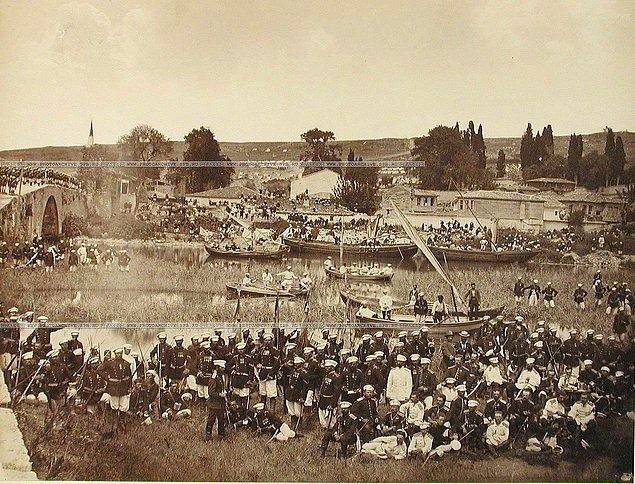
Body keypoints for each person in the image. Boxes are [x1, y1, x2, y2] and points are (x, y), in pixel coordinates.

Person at [102, 347, 133, 430]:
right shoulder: (110, 363)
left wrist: (129, 386)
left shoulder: (126, 363)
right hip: (114, 387)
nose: (119, 355)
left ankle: (121, 421)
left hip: (123, 387)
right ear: (115, 354)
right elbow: (99, 370)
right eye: (117, 353)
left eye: (120, 353)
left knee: (123, 406)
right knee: (114, 405)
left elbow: (129, 376)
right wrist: (108, 379)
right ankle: (115, 421)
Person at [204, 360, 227, 440]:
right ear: (217, 368)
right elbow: (211, 392)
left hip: (220, 403)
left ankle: (221, 435)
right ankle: (208, 435)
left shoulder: (221, 376)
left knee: (221, 419)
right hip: (214, 403)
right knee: (211, 419)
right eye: (221, 368)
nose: (223, 369)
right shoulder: (213, 378)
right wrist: (220, 395)